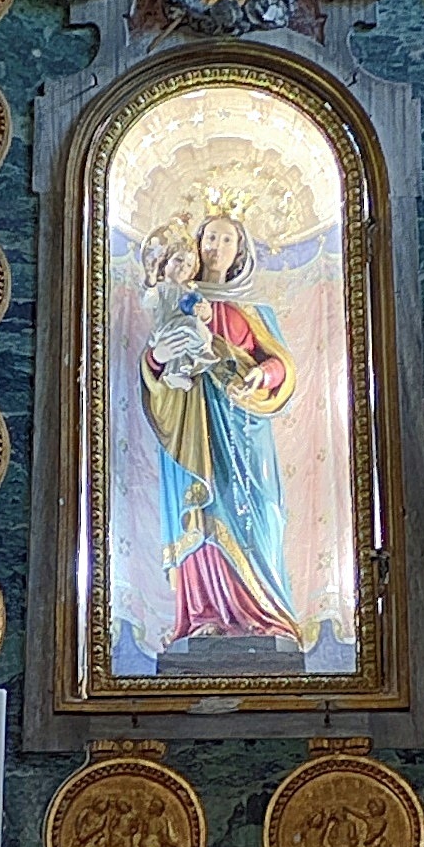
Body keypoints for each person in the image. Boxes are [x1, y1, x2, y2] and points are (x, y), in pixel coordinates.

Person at [140, 209, 303, 652]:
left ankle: (264, 614)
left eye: (226, 239)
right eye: (209, 238)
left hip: (244, 428)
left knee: (258, 512)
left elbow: (281, 367)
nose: (216, 247)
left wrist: (261, 375)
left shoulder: (254, 309)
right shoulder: (176, 298)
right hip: (192, 425)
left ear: (240, 251)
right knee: (202, 510)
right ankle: (204, 615)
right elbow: (155, 370)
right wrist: (158, 357)